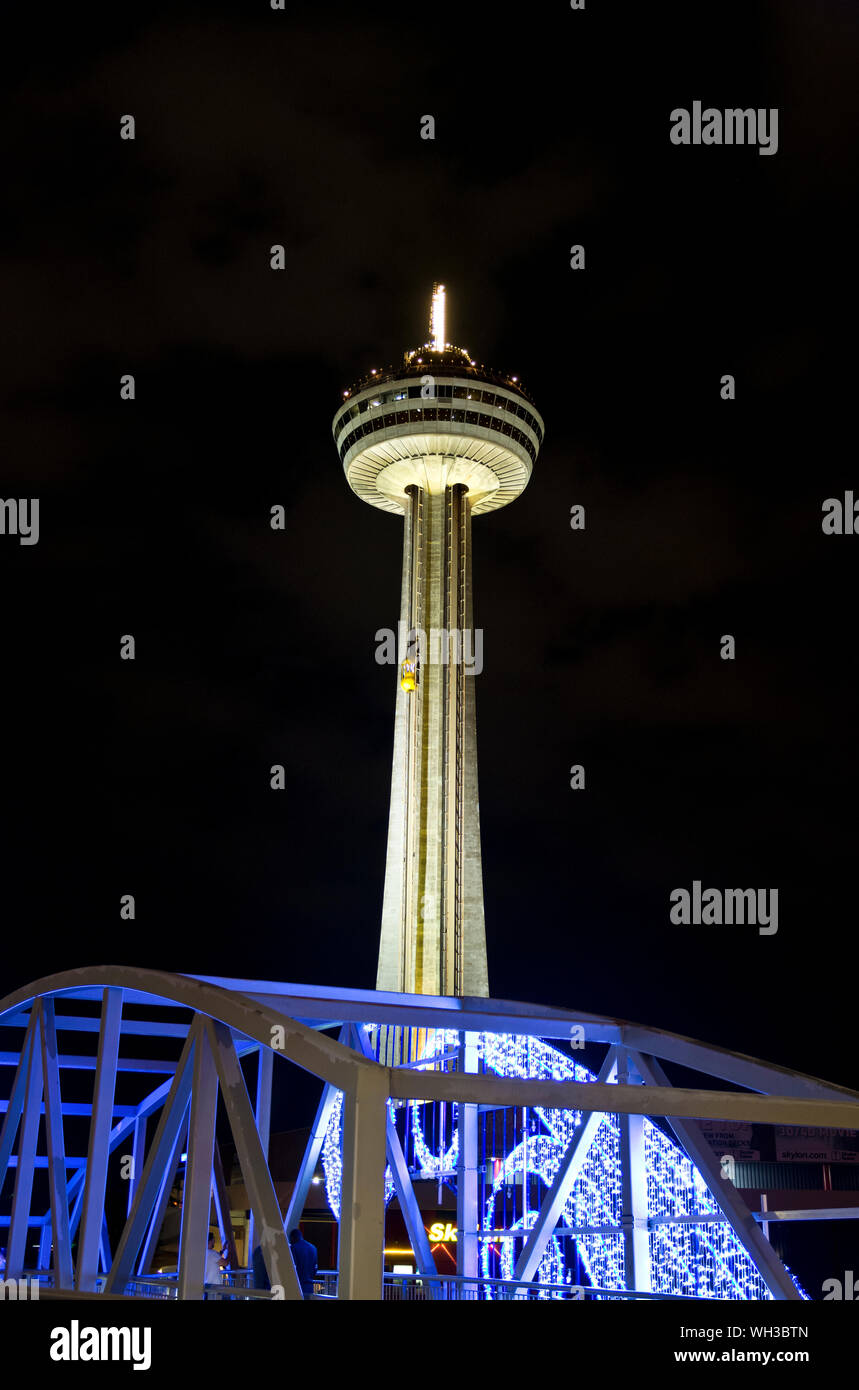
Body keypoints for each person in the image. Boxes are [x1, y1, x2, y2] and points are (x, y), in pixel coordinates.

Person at [289, 1227, 317, 1298]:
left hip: (297, 1287)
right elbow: (315, 1268)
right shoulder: (313, 1248)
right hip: (310, 1287)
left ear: (292, 1238)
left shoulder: (293, 1248)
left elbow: (292, 1269)